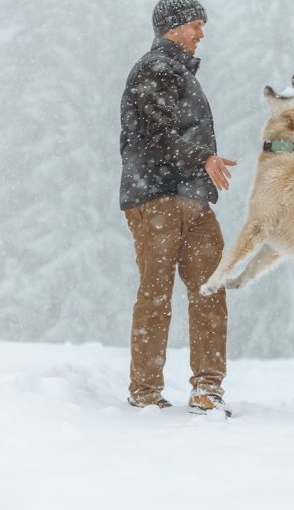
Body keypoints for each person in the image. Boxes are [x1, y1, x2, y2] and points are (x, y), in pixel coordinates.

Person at [118, 0, 237, 416]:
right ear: (172, 27)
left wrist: (203, 169)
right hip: (155, 199)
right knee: (157, 293)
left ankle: (207, 388)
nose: (201, 34)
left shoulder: (181, 73)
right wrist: (204, 157)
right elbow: (156, 137)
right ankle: (145, 390)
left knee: (209, 287)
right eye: (195, 25)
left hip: (194, 200)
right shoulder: (155, 69)